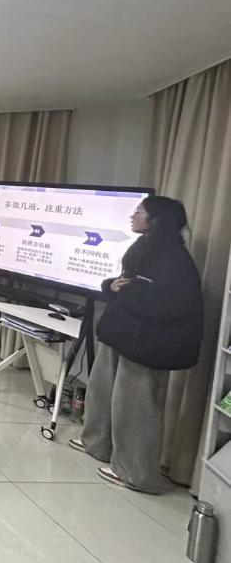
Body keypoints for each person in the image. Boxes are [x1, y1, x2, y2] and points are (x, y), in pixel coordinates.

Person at [70, 196, 203, 494]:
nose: (133, 216)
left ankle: (136, 473)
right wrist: (110, 286)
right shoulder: (143, 247)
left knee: (137, 407)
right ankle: (97, 445)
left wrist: (127, 292)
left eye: (139, 212)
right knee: (103, 391)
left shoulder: (176, 259)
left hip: (149, 344)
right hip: (122, 333)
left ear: (157, 219)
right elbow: (126, 284)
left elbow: (167, 303)